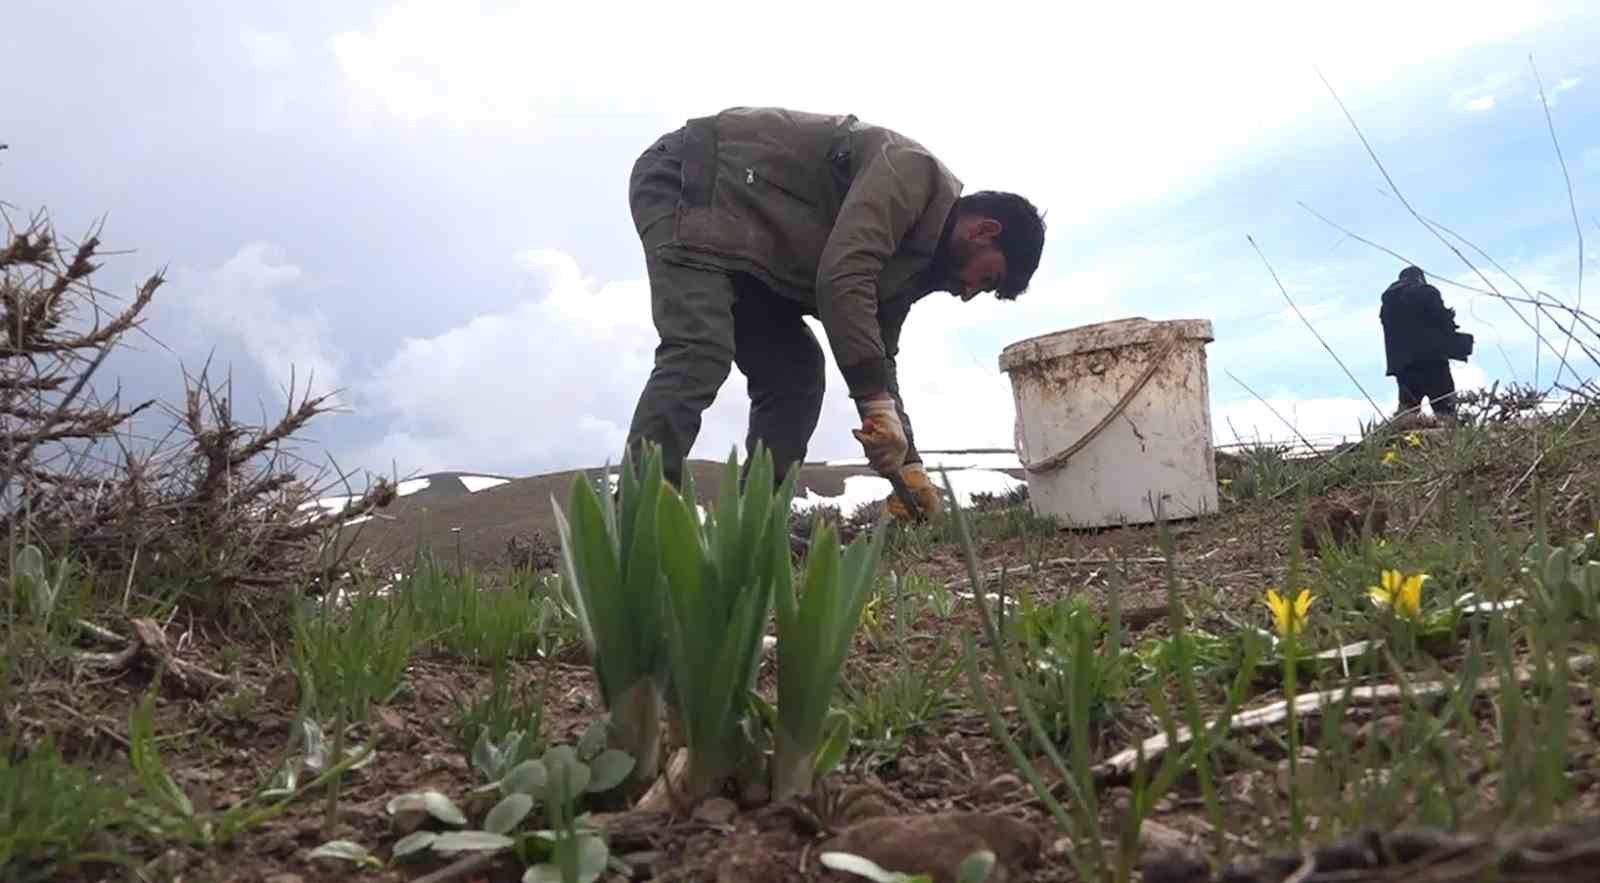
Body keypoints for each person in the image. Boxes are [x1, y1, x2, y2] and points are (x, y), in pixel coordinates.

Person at [621, 106, 1047, 520]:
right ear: (984, 231)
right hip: (695, 182)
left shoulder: (910, 268)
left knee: (796, 375)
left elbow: (877, 362)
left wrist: (908, 465)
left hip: (754, 247)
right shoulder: (911, 174)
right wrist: (875, 401)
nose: (969, 293)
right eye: (987, 278)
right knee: (700, 348)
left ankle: (751, 530)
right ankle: (634, 526)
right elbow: (844, 278)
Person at [1379, 266, 1472, 422]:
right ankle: (1450, 440)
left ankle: (1403, 442)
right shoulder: (1427, 292)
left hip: (1404, 366)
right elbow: (1443, 321)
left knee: (1407, 411)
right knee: (1445, 408)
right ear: (1420, 277)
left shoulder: (1388, 303)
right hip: (1432, 361)